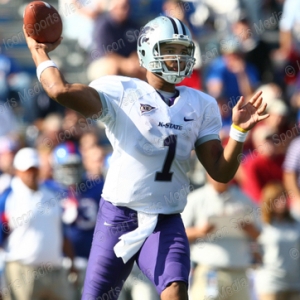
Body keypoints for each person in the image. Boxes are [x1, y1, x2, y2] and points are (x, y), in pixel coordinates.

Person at [23, 15, 269, 300]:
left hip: (165, 218)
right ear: (147, 52)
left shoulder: (201, 104)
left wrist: (238, 132)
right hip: (117, 216)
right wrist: (38, 50)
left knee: (176, 290)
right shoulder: (122, 91)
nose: (178, 58)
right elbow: (60, 90)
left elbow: (221, 172)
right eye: (170, 50)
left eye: (182, 51)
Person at [0, 147, 76, 300]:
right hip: (21, 271)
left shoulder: (52, 194)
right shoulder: (8, 198)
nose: (31, 173)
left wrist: (71, 261)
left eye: (34, 169)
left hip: (55, 269)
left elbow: (61, 232)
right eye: (27, 170)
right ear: (17, 171)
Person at [181, 172, 261, 300]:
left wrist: (250, 230)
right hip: (209, 271)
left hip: (240, 272)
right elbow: (180, 234)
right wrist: (199, 231)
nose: (220, 178)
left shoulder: (244, 199)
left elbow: (262, 234)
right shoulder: (196, 198)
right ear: (207, 174)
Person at [51, 141, 105, 300]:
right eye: (67, 167)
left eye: (75, 166)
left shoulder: (97, 187)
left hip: (92, 260)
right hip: (60, 263)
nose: (71, 172)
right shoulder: (48, 189)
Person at [254, 181, 300, 300]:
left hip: (295, 282)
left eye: (283, 198)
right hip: (271, 283)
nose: (282, 202)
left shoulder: (296, 223)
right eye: (277, 199)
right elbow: (253, 247)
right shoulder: (262, 224)